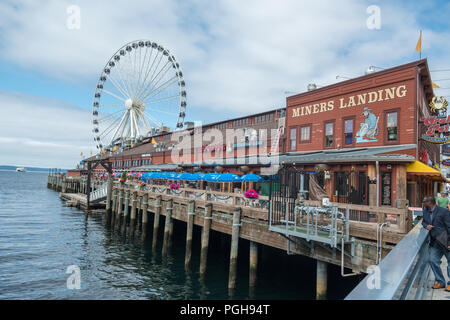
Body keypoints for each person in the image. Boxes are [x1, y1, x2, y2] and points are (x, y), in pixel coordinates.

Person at [422, 195, 450, 291]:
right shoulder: (425, 211)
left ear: (430, 202)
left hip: (446, 241)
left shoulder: (444, 212)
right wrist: (426, 226)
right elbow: (423, 222)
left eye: (424, 201)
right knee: (432, 260)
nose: (423, 203)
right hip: (434, 241)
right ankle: (441, 282)